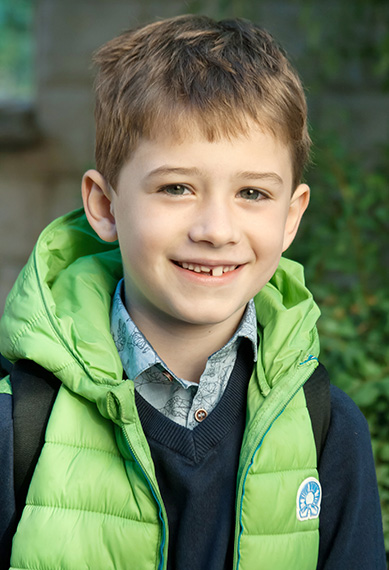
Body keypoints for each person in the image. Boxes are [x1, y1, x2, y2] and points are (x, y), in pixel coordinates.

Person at [0, 14, 385, 570]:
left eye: (252, 193)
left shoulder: (326, 430)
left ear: (291, 218)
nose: (216, 229)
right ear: (105, 206)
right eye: (176, 187)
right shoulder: (19, 427)